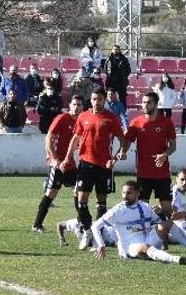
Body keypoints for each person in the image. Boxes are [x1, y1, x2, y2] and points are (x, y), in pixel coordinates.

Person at [59, 87, 126, 249]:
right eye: (94, 99)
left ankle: (98, 237)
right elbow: (76, 138)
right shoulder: (83, 116)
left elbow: (123, 141)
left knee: (101, 203)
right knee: (81, 201)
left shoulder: (111, 118)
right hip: (85, 164)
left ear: (105, 100)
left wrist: (115, 158)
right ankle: (87, 230)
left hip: (104, 166)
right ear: (91, 100)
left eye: (100, 99)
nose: (97, 102)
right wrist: (68, 158)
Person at [90, 181, 186, 265]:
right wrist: (101, 245)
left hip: (149, 239)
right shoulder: (117, 210)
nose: (125, 196)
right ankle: (175, 259)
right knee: (145, 247)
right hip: (129, 246)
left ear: (137, 193)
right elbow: (95, 226)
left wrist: (160, 214)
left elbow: (159, 222)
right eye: (123, 193)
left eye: (129, 193)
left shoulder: (145, 206)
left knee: (168, 223)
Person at [33, 94, 83, 233]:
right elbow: (49, 139)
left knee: (78, 191)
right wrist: (54, 159)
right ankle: (37, 224)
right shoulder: (62, 118)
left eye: (79, 105)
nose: (77, 107)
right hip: (58, 163)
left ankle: (82, 223)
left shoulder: (81, 121)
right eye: (74, 104)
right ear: (70, 106)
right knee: (51, 193)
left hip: (70, 163)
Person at [120, 90, 177, 208]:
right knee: (142, 207)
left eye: (148, 102)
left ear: (156, 104)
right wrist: (123, 152)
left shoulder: (166, 122)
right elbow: (127, 140)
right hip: (143, 173)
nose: (145, 105)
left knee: (166, 208)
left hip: (162, 173)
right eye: (143, 102)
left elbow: (173, 146)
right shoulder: (136, 122)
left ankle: (164, 224)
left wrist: (165, 154)